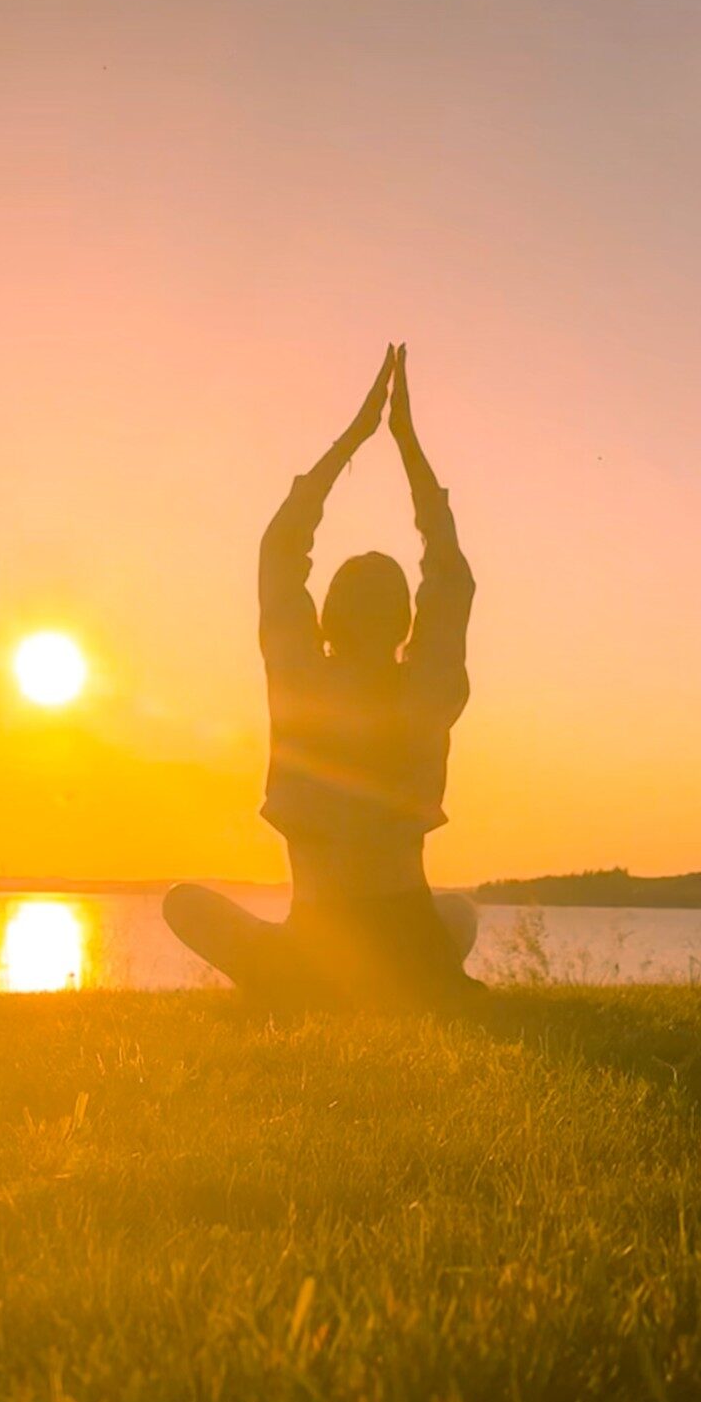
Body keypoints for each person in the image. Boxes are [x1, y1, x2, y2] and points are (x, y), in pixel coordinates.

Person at [164, 343, 484, 1010]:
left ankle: (294, 979)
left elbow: (280, 552)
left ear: (329, 616)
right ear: (405, 622)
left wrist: (354, 438)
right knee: (460, 913)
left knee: (180, 901)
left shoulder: (301, 682)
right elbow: (449, 575)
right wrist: (407, 446)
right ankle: (394, 981)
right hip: (414, 947)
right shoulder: (426, 689)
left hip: (313, 949)